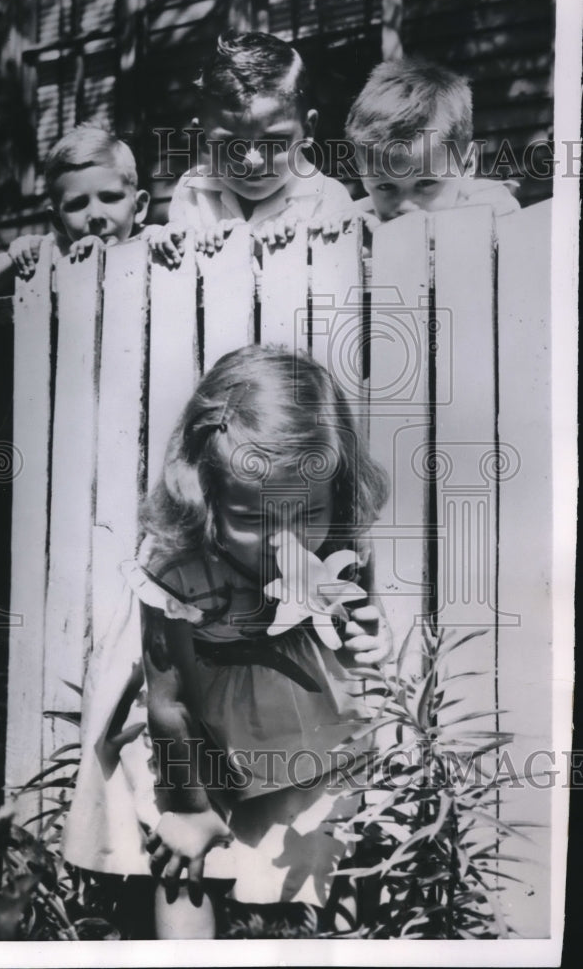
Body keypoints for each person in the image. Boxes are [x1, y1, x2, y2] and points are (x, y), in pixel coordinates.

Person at [63, 344, 392, 938]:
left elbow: (355, 616)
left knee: (320, 812)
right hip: (187, 715)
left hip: (285, 704)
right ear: (203, 492)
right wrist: (189, 810)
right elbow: (170, 701)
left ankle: (327, 934)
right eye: (251, 516)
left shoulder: (336, 533)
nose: (284, 541)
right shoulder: (180, 564)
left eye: (306, 512)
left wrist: (366, 638)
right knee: (183, 849)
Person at [150, 31, 355, 266]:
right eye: (230, 144)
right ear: (202, 138)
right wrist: (168, 242)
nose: (251, 161)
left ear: (307, 131)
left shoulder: (327, 200)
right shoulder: (193, 191)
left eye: (273, 141)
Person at [344, 58, 520, 224]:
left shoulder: (488, 205)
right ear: (362, 175)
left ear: (467, 165)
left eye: (425, 183)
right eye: (385, 187)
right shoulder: (360, 220)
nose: (405, 206)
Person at [0, 124, 150, 294]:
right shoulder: (54, 252)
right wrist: (19, 257)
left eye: (110, 198)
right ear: (58, 221)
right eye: (77, 204)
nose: (95, 215)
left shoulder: (154, 242)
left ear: (138, 207)